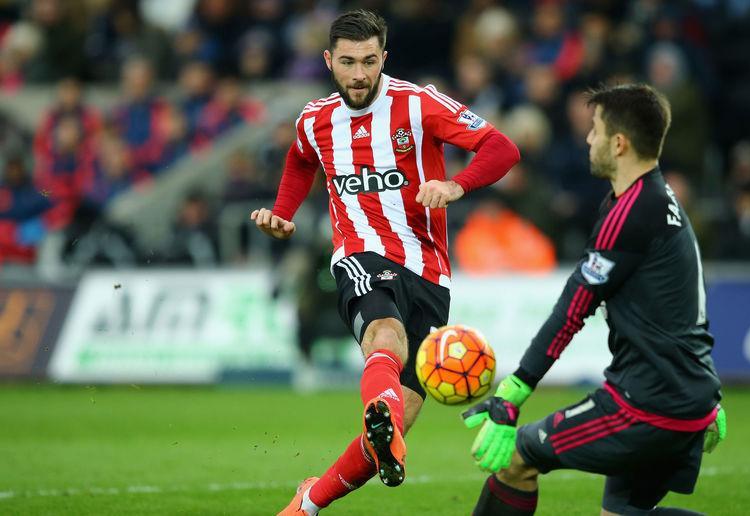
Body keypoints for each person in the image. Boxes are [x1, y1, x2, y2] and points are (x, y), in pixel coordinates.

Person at [249, 10, 520, 516]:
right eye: (348, 62)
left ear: (384, 59)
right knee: (386, 336)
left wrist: (456, 185)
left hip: (430, 272)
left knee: (389, 439)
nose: (358, 74)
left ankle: (310, 498)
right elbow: (300, 159)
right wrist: (283, 214)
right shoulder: (315, 118)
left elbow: (501, 147)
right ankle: (365, 435)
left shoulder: (418, 104)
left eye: (369, 61)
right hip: (360, 255)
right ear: (329, 61)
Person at [461, 84, 725, 516]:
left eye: (595, 130)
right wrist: (706, 390)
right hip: (685, 398)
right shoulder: (659, 199)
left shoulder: (632, 213)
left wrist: (515, 389)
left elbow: (574, 308)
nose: (588, 139)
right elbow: (686, 305)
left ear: (618, 144)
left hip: (645, 406)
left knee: (515, 459)